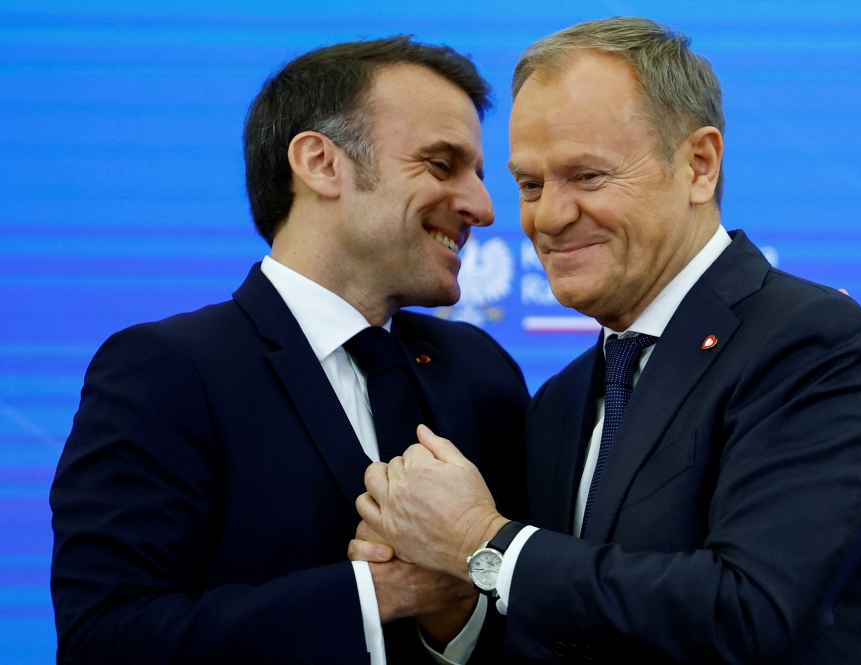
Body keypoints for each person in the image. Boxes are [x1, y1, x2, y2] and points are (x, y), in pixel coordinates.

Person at [353, 18, 861, 664]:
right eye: (531, 184)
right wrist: (450, 602)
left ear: (699, 166)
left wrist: (486, 542)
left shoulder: (811, 344)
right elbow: (564, 626)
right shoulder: (561, 402)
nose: (549, 216)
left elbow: (749, 614)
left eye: (588, 176)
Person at [49, 37, 529, 664]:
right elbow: (106, 640)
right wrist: (374, 593)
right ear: (321, 163)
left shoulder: (483, 373)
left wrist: (452, 613)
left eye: (479, 175)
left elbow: (533, 629)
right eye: (441, 165)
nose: (484, 208)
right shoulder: (167, 371)